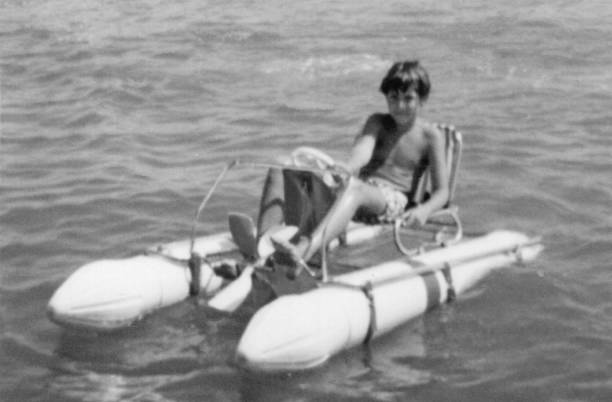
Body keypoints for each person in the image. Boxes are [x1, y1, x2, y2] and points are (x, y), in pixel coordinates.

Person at [261, 60, 450, 274]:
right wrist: (348, 167)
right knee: (280, 166)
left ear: (422, 99)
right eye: (393, 98)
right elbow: (363, 151)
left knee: (355, 189)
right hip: (356, 190)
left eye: (408, 99)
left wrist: (424, 210)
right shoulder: (377, 122)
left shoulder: (431, 136)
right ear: (386, 97)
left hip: (391, 200)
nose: (400, 106)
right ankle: (263, 247)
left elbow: (442, 192)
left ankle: (304, 250)